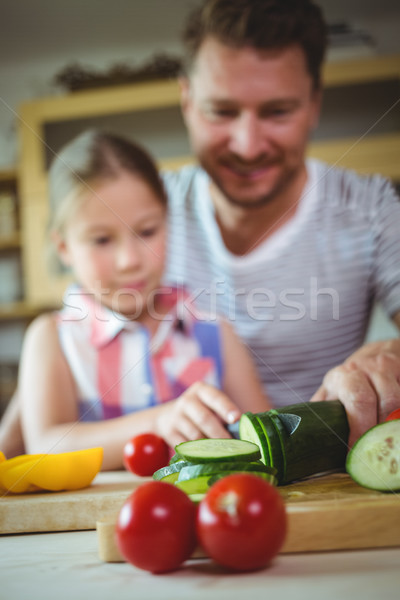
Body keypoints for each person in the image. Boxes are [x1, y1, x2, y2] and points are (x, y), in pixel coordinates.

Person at [160, 0, 400, 447]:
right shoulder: (140, 213)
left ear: (314, 104)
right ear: (187, 101)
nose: (248, 146)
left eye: (277, 112)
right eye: (222, 111)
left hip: (321, 479)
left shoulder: (372, 207)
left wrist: (392, 354)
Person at [9, 130, 270, 469]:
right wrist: (157, 423)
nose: (129, 259)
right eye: (102, 239)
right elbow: (46, 445)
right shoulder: (52, 339)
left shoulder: (215, 332)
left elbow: (265, 435)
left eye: (147, 232)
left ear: (168, 224)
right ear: (64, 248)